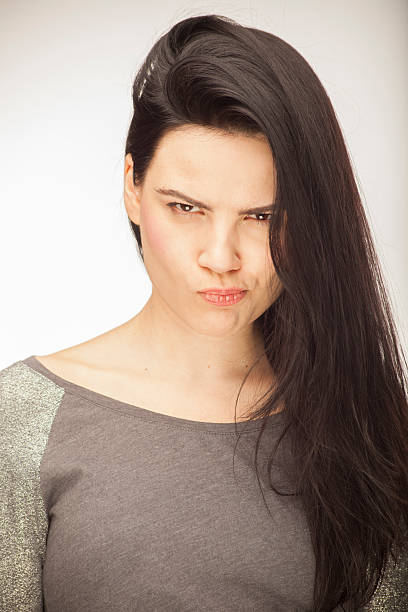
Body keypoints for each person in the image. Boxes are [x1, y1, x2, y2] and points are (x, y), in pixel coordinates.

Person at [1, 13, 407, 612]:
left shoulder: (370, 431)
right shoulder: (21, 422)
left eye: (262, 216)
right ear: (132, 187)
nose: (222, 257)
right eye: (187, 208)